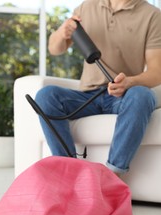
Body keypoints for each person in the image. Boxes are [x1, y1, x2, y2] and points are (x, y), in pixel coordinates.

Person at [35, 0, 161, 175]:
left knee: (142, 95)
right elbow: (55, 49)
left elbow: (157, 72)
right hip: (87, 97)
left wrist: (129, 82)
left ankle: (111, 176)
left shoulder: (152, 16)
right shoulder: (87, 7)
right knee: (46, 95)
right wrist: (62, 32)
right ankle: (69, 171)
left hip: (123, 96)